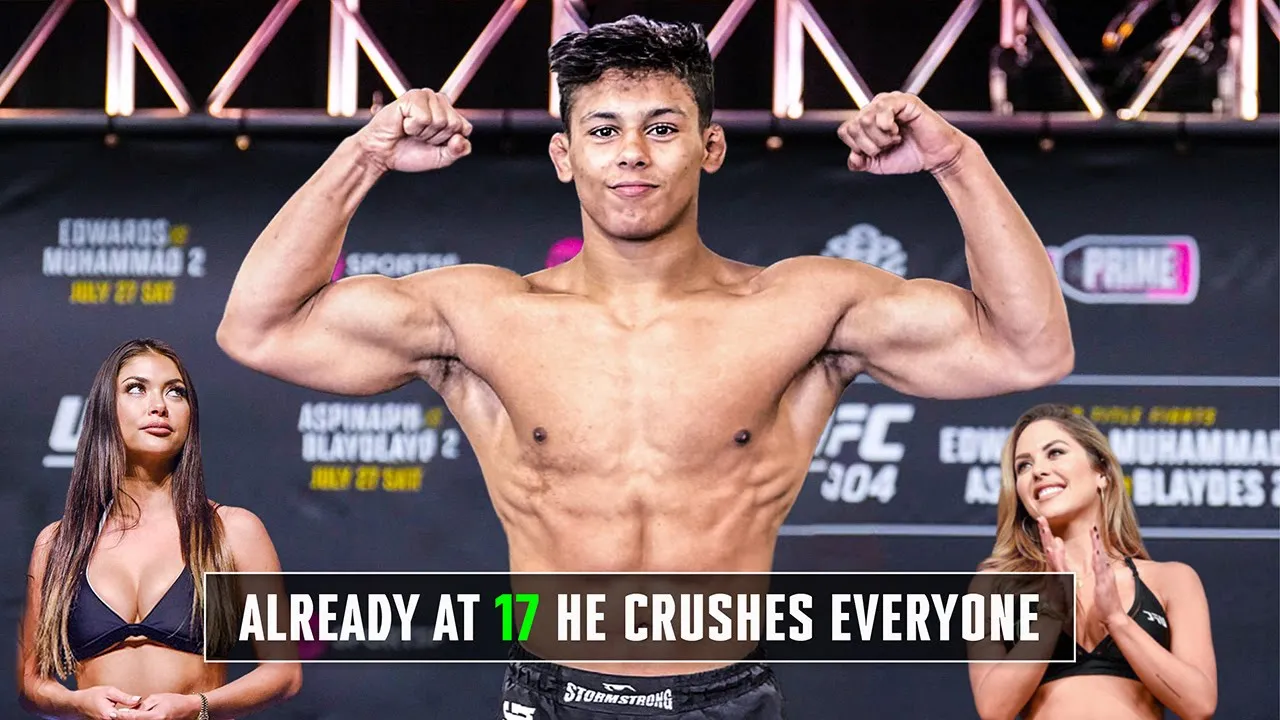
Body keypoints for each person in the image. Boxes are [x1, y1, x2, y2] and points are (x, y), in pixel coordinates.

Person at [216, 14, 1074, 719]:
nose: (632, 152)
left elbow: (1029, 346)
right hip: (552, 695)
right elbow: (260, 328)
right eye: (604, 130)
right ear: (565, 156)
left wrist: (955, 161)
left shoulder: (801, 308)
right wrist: (364, 154)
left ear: (709, 147)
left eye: (662, 128)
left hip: (726, 696)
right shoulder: (484, 314)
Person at [18, 339, 302, 720]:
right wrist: (77, 702)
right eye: (136, 388)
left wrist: (196, 706)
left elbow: (283, 673)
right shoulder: (59, 545)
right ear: (105, 410)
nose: (159, 406)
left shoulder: (233, 532)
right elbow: (32, 682)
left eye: (175, 392)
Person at [968, 404, 1217, 720]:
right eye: (1023, 466)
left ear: (1102, 473)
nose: (1038, 471)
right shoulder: (993, 586)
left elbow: (1199, 704)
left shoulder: (1173, 579)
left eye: (1055, 453)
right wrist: (1052, 614)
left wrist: (1118, 620)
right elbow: (994, 708)